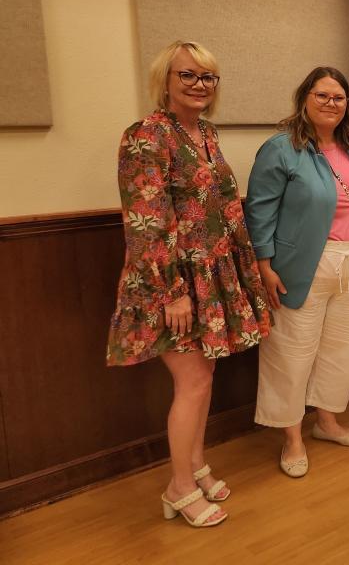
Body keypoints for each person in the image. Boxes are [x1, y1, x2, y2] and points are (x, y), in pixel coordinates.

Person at [107, 40, 271, 528]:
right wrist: (171, 291)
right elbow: (146, 220)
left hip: (212, 276)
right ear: (166, 80)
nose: (199, 85)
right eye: (188, 75)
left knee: (205, 378)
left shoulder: (204, 132)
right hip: (172, 282)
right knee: (193, 381)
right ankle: (178, 487)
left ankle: (195, 463)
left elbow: (219, 205)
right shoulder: (146, 136)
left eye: (208, 77)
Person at [245, 66, 349, 478]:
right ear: (304, 98)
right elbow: (260, 209)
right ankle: (292, 438)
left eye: (339, 98)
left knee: (342, 350)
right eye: (322, 95)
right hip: (301, 267)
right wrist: (264, 265)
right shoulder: (281, 148)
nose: (331, 104)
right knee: (292, 353)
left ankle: (327, 422)